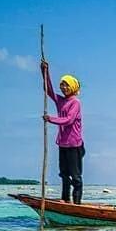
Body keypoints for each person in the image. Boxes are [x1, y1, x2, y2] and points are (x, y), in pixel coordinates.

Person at [41, 60, 85, 204]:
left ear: (72, 87)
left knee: (75, 176)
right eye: (62, 85)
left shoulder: (75, 102)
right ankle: (65, 200)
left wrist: (50, 119)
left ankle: (77, 204)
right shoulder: (60, 101)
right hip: (63, 144)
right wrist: (44, 72)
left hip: (74, 145)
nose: (63, 87)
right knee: (64, 174)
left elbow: (68, 119)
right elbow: (48, 90)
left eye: (66, 85)